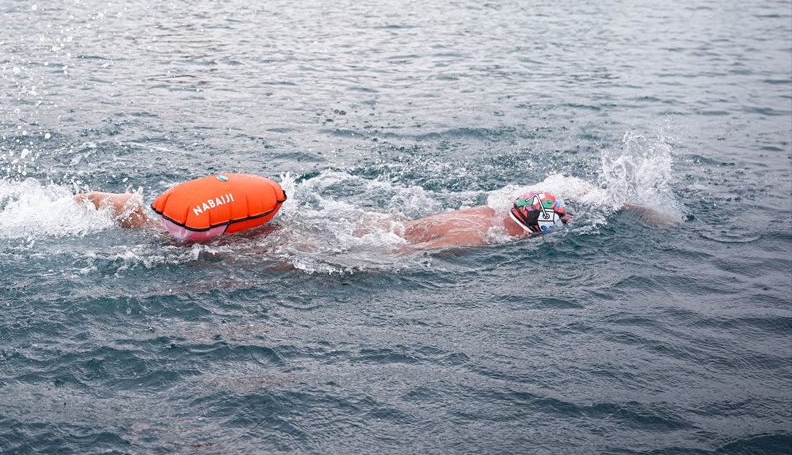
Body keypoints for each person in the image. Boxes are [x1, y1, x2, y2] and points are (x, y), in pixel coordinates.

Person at [76, 188, 572, 252]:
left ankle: (122, 207)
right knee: (260, 251)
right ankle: (142, 221)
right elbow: (404, 253)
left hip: (361, 216)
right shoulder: (478, 236)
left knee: (268, 232)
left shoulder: (485, 209)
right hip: (365, 234)